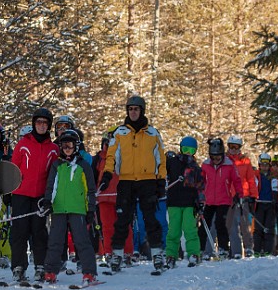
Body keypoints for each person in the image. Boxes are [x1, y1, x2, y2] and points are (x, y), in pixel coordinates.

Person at [99, 95, 167, 274]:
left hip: (148, 181)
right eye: (130, 109)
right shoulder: (120, 133)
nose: (133, 112)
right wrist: (107, 175)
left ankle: (157, 253)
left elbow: (161, 158)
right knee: (122, 220)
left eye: (136, 109)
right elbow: (111, 156)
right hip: (126, 180)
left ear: (142, 110)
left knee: (151, 219)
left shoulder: (153, 133)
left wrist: (161, 180)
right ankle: (117, 254)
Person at [41, 130, 99, 286]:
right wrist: (48, 202)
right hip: (59, 209)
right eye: (64, 145)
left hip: (78, 209)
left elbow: (90, 190)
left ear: (76, 146)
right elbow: (51, 186)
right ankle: (50, 272)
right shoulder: (57, 165)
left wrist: (90, 209)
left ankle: (89, 272)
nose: (67, 148)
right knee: (55, 241)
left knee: (82, 242)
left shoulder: (83, 166)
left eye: (70, 145)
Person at [9, 108, 59, 283]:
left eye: (45, 123)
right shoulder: (23, 144)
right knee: (19, 232)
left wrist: (50, 197)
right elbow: (13, 169)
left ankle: (40, 266)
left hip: (40, 197)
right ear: (33, 124)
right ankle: (18, 267)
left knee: (39, 232)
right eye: (38, 122)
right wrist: (9, 191)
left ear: (49, 126)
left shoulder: (53, 149)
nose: (41, 126)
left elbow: (54, 175)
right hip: (21, 194)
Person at [94, 126, 134, 268]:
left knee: (124, 226)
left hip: (121, 196)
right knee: (107, 227)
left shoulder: (125, 157)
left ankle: (127, 253)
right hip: (104, 197)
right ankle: (109, 253)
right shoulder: (99, 158)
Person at [199, 138, 244, 259]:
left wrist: (239, 194)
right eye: (213, 157)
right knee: (205, 224)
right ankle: (201, 249)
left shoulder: (229, 165)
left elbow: (237, 180)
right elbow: (200, 181)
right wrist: (199, 195)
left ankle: (224, 248)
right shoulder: (206, 165)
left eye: (218, 157)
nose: (216, 160)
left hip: (224, 199)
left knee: (220, 223)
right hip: (209, 200)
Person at [164, 136, 205, 268]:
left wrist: (201, 203)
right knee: (173, 231)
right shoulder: (173, 162)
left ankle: (194, 253)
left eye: (191, 150)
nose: (188, 153)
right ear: (181, 149)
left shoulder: (195, 167)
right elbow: (162, 171)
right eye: (185, 149)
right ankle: (171, 255)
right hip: (174, 202)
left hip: (189, 204)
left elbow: (200, 187)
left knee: (190, 230)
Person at [225, 134, 257, 258]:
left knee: (245, 225)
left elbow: (250, 179)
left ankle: (249, 248)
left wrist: (253, 196)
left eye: (236, 147)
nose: (233, 149)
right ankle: (236, 251)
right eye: (231, 146)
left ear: (240, 148)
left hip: (243, 196)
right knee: (231, 225)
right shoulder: (225, 160)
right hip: (229, 197)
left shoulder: (245, 161)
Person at [252, 153, 278, 256]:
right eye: (262, 164)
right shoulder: (256, 174)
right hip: (259, 204)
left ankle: (268, 251)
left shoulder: (274, 175)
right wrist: (251, 199)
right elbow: (253, 187)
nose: (264, 167)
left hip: (270, 204)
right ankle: (257, 250)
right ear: (259, 165)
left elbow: (277, 190)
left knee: (269, 228)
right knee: (258, 228)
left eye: (266, 165)